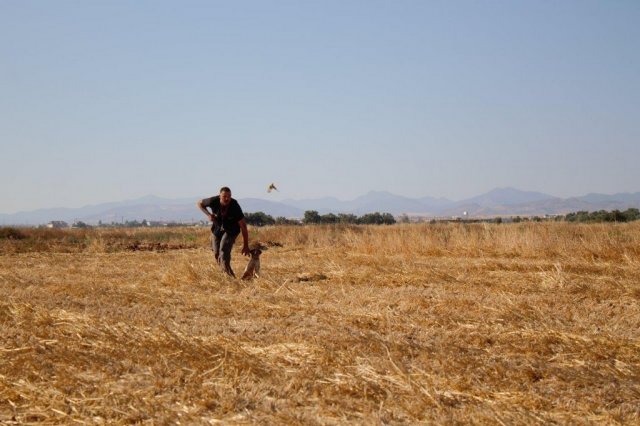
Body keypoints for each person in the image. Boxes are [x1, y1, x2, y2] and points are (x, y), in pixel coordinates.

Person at [197, 187, 250, 277]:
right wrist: (208, 214)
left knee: (223, 250)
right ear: (219, 196)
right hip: (217, 229)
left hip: (231, 230)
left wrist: (246, 245)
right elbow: (199, 203)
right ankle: (224, 274)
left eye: (229, 196)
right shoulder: (213, 201)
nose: (227, 198)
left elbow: (243, 226)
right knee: (217, 253)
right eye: (224, 196)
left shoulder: (234, 205)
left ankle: (230, 278)